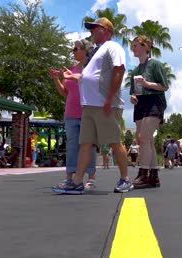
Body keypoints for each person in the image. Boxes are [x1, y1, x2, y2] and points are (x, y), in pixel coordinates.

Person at [53, 17, 132, 194]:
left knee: (114, 141)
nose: (92, 31)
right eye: (91, 29)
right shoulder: (96, 52)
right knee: (85, 143)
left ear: (107, 31)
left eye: (96, 28)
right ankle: (77, 181)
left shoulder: (113, 47)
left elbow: (119, 70)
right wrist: (71, 77)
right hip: (88, 106)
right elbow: (87, 77)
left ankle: (125, 179)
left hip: (106, 105)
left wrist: (109, 98)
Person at [50, 39, 98, 191]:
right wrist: (56, 79)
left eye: (76, 48)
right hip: (70, 113)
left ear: (85, 50)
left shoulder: (92, 68)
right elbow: (65, 92)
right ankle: (69, 177)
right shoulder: (71, 69)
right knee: (72, 145)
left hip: (87, 112)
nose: (73, 51)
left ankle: (91, 177)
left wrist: (73, 76)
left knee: (88, 145)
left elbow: (92, 85)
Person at [129, 35, 169, 188]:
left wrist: (148, 84)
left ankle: (143, 173)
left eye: (136, 45)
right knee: (145, 140)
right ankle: (154, 176)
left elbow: (164, 86)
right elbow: (134, 91)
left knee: (145, 137)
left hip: (154, 101)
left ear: (146, 47)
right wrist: (132, 96)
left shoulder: (155, 65)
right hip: (140, 103)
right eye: (133, 46)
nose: (134, 48)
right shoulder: (135, 71)